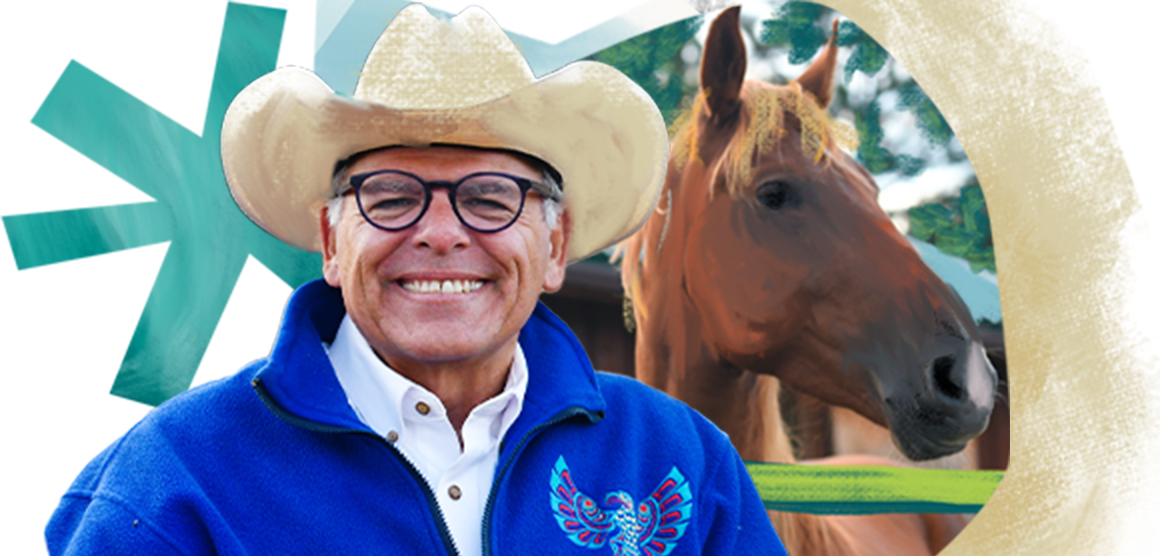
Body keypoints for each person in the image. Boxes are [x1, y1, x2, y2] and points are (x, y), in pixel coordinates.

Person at [44, 5, 786, 555]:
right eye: (392, 196)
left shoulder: (677, 460)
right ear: (332, 241)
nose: (439, 231)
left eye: (492, 197)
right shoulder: (173, 483)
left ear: (555, 244)